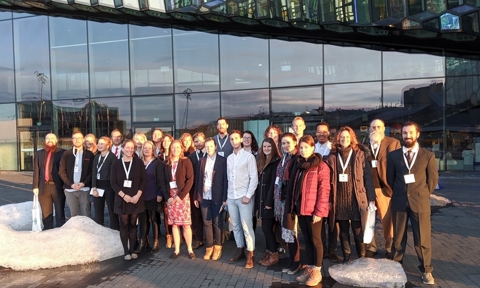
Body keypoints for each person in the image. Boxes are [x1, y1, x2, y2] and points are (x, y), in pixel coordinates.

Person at [387, 121, 438, 285]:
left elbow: (432, 181)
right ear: (401, 135)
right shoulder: (393, 156)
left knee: (422, 240)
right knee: (398, 240)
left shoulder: (428, 156)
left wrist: (421, 194)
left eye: (410, 133)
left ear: (417, 134)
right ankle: (396, 268)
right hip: (399, 202)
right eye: (404, 133)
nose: (407, 136)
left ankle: (426, 270)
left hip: (420, 203)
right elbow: (390, 179)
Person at [284, 135, 330, 287]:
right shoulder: (299, 165)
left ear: (313, 148)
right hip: (301, 209)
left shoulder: (321, 166)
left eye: (306, 147)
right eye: (301, 147)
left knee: (316, 240)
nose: (303, 150)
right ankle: (310, 267)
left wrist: (319, 211)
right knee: (308, 240)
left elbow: (324, 191)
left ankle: (317, 271)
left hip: (313, 211)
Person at [325, 126, 376, 263]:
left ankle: (362, 257)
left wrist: (371, 199)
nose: (344, 139)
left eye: (347, 137)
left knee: (358, 231)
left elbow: (368, 178)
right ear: (338, 139)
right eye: (342, 137)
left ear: (351, 138)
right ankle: (347, 257)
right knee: (343, 231)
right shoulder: (332, 156)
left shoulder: (359, 154)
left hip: (356, 198)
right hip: (339, 199)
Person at [365, 119, 401, 258]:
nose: (376, 129)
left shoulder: (393, 143)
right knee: (369, 220)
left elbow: (398, 166)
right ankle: (371, 247)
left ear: (384, 128)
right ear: (369, 129)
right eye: (373, 127)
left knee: (388, 221)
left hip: (384, 189)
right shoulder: (364, 145)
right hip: (368, 189)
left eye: (379, 127)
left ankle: (389, 247)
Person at [227, 130, 258, 269]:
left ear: (241, 140)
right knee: (236, 226)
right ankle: (240, 250)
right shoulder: (229, 158)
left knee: (247, 227)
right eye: (231, 139)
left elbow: (254, 178)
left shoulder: (248, 157)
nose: (234, 141)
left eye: (236, 138)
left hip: (243, 197)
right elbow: (229, 179)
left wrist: (248, 195)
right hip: (231, 197)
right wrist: (227, 198)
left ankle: (250, 253)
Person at [110, 139, 146, 261]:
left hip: (136, 199)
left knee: (133, 224)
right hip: (122, 199)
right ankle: (126, 251)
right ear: (122, 148)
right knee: (124, 224)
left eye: (132, 148)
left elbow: (143, 180)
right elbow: (113, 183)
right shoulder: (116, 164)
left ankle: (132, 250)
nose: (130, 150)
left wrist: (137, 195)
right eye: (127, 147)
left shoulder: (139, 163)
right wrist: (124, 196)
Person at [193, 138, 228, 261]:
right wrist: (197, 196)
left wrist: (225, 198)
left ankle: (218, 246)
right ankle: (209, 246)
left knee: (217, 222)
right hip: (204, 196)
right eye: (206, 147)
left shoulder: (222, 161)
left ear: (215, 147)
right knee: (206, 222)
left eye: (210, 146)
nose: (208, 149)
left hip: (217, 196)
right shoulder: (202, 160)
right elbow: (198, 179)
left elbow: (225, 180)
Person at [164, 140, 196, 260]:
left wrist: (180, 196)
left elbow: (190, 180)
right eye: (173, 147)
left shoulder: (186, 161)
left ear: (181, 149)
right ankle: (176, 250)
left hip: (182, 196)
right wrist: (168, 198)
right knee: (175, 225)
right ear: (170, 149)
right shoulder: (166, 163)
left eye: (178, 147)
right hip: (171, 198)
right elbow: (162, 182)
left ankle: (190, 249)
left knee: (186, 225)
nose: (175, 150)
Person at [275, 133, 301, 275]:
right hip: (283, 200)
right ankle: (292, 260)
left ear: (295, 142)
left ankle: (296, 263)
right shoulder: (284, 158)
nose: (286, 145)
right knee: (287, 233)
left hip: (292, 202)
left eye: (288, 143)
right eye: (283, 143)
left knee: (292, 232)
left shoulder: (296, 158)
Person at [314, 122, 340, 261]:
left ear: (328, 133)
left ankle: (332, 250)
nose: (321, 134)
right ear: (316, 133)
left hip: (332, 190)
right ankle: (322, 249)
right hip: (317, 191)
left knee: (332, 223)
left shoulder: (334, 149)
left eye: (324, 131)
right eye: (319, 132)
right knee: (320, 222)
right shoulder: (312, 148)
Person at [255, 138, 281, 267]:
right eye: (264, 146)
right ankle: (269, 252)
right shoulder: (262, 161)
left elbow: (273, 184)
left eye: (269, 147)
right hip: (261, 200)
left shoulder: (276, 162)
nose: (266, 149)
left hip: (269, 202)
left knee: (267, 228)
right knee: (266, 229)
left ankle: (274, 254)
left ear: (274, 148)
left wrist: (269, 202)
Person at [32, 133, 66, 229]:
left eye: (52, 138)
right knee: (46, 212)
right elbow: (36, 171)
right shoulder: (39, 153)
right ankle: (47, 231)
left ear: (56, 141)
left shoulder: (63, 153)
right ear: (44, 141)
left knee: (60, 211)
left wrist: (65, 186)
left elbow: (65, 171)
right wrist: (35, 186)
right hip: (44, 186)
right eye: (47, 138)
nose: (49, 140)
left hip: (57, 186)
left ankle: (60, 231)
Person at [139, 141, 168, 254]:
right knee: (143, 219)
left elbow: (162, 180)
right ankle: (143, 241)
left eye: (149, 148)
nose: (146, 150)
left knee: (154, 219)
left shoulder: (158, 163)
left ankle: (156, 241)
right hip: (141, 195)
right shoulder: (139, 162)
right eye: (144, 148)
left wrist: (160, 193)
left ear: (153, 150)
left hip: (153, 195)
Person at [59, 131, 94, 217]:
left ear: (83, 140)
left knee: (86, 214)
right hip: (70, 190)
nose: (77, 140)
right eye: (75, 138)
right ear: (72, 140)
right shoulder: (66, 154)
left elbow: (92, 171)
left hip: (84, 189)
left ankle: (86, 231)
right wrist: (71, 185)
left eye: (79, 138)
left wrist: (83, 183)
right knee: (74, 216)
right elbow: (61, 171)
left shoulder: (89, 154)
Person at [91, 136, 119, 230]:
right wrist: (94, 187)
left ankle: (115, 231)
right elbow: (94, 172)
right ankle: (99, 231)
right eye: (98, 143)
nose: (99, 145)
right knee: (98, 211)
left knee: (112, 210)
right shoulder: (96, 157)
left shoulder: (112, 157)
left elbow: (115, 173)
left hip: (109, 187)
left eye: (102, 144)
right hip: (98, 186)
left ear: (108, 145)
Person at [188, 132, 206, 250]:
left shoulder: (210, 155)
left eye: (200, 140)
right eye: (196, 141)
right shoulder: (191, 157)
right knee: (197, 216)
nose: (198, 143)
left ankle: (213, 239)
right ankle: (199, 239)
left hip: (209, 190)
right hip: (195, 191)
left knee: (210, 217)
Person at [159, 133, 174, 248]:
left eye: (168, 141)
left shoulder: (176, 156)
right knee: (167, 214)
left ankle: (177, 236)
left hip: (176, 191)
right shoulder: (159, 157)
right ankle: (168, 236)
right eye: (164, 141)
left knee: (177, 214)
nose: (166, 143)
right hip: (165, 190)